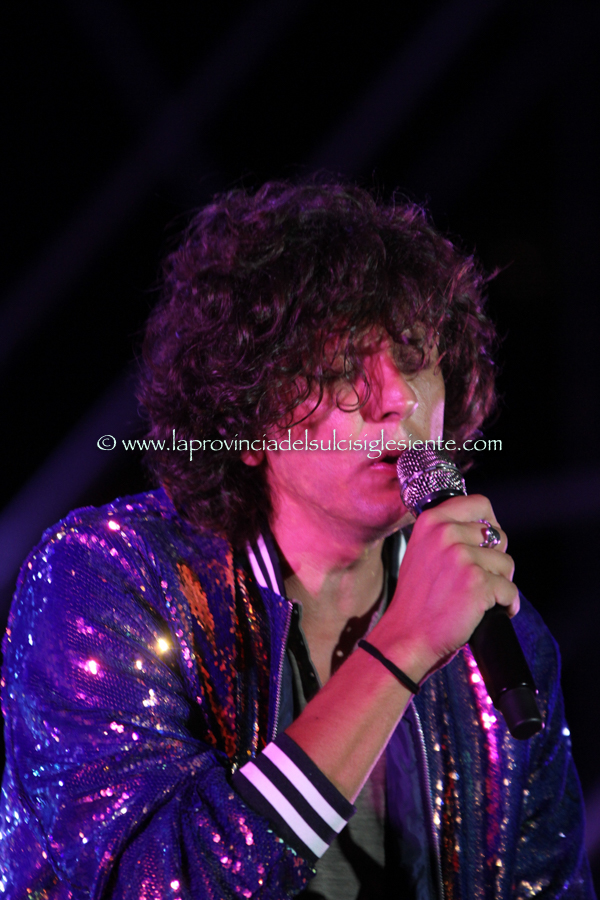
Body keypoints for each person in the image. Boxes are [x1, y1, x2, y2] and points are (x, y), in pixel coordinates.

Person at [0, 181, 594, 899]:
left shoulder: (503, 638)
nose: (399, 398)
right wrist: (400, 649)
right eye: (344, 368)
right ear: (245, 417)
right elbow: (155, 883)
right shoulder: (106, 578)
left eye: (413, 357)